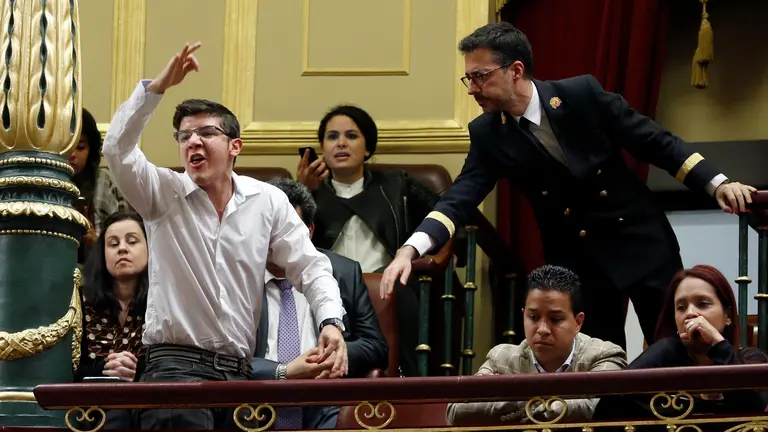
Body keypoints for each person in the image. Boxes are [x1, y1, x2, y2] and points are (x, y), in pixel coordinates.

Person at [380, 22, 757, 350]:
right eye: (469, 78)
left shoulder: (581, 95)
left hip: (640, 241)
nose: (471, 89)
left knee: (674, 345)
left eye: (480, 76)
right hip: (578, 262)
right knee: (599, 360)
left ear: (515, 70)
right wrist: (410, 250)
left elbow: (656, 143)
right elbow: (459, 198)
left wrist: (717, 184)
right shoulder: (487, 134)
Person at [102, 42, 347, 430]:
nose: (192, 142)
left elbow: (311, 266)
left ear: (235, 146)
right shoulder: (161, 193)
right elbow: (117, 149)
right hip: (175, 370)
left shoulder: (266, 200)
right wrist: (157, 89)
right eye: (184, 136)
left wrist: (331, 321)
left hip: (239, 377)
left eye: (206, 133)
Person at [297, 105, 454, 376]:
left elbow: (444, 217)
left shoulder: (396, 185)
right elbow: (289, 242)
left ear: (368, 148)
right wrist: (304, 191)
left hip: (387, 287)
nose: (341, 143)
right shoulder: (309, 194)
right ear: (322, 149)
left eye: (351, 136)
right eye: (332, 137)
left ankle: (409, 383)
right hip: (332, 287)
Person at [251, 178, 389, 430]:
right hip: (254, 404)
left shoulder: (343, 272)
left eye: (288, 229)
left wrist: (331, 357)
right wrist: (282, 371)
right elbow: (223, 359)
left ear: (310, 231)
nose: (277, 239)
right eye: (269, 228)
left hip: (326, 404)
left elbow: (375, 346)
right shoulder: (238, 277)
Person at [446, 265, 626, 425]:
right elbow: (457, 411)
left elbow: (595, 407)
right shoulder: (502, 358)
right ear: (523, 315)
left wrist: (513, 398)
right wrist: (538, 404)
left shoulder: (603, 355)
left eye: (555, 319)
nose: (542, 329)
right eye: (533, 317)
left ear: (578, 322)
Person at [593, 265, 768, 429]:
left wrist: (717, 343)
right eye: (681, 307)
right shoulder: (665, 357)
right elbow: (610, 405)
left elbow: (755, 412)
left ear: (727, 316)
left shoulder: (751, 358)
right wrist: (666, 347)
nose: (690, 313)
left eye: (703, 304)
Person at [74, 211, 149, 429]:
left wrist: (136, 370)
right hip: (91, 408)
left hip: (149, 403)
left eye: (132, 241)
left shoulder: (163, 302)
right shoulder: (81, 301)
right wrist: (106, 368)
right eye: (113, 244)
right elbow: (70, 368)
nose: (122, 249)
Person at [68, 108, 134, 263]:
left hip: (99, 269)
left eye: (80, 147)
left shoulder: (104, 180)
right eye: (67, 146)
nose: (72, 154)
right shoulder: (44, 182)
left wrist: (96, 241)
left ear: (91, 150)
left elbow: (127, 240)